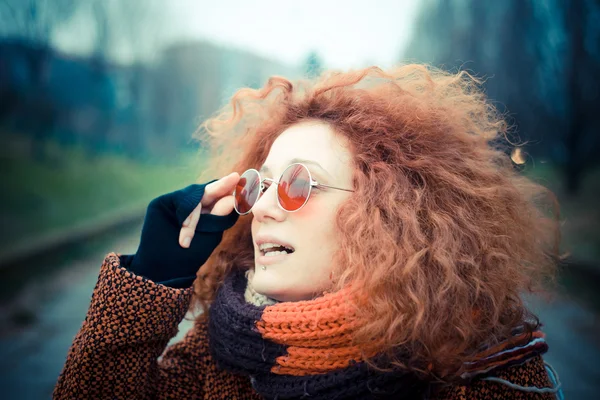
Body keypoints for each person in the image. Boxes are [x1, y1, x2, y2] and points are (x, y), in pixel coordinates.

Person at [54, 65, 564, 399]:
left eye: (299, 184)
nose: (264, 210)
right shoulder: (220, 353)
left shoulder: (483, 371)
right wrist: (153, 280)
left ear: (389, 213)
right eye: (259, 186)